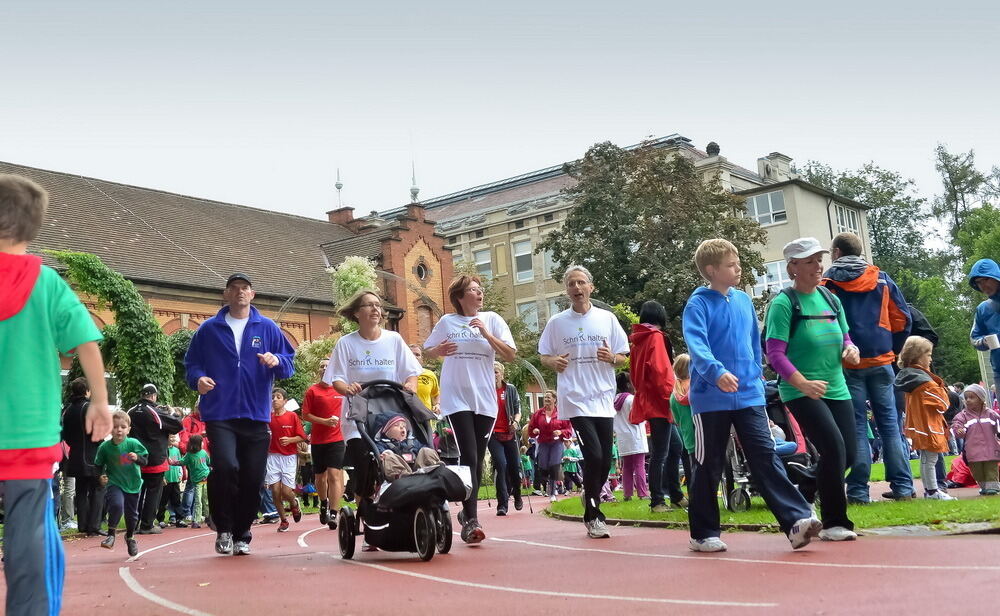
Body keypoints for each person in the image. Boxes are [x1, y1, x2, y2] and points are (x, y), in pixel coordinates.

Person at [1, 174, 112, 616]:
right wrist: (101, 401)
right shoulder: (47, 284)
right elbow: (87, 341)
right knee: (30, 535)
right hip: (27, 432)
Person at [683, 238, 821, 553]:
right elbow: (697, 345)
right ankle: (703, 532)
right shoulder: (698, 304)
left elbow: (751, 343)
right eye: (731, 265)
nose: (738, 268)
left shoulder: (744, 300)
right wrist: (717, 373)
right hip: (711, 399)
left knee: (765, 456)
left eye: (738, 263)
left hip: (749, 395)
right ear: (711, 270)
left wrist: (758, 375)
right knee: (709, 462)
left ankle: (797, 521)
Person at [184, 271, 295, 556]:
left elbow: (289, 364)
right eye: (234, 288)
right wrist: (198, 379)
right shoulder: (208, 329)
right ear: (226, 294)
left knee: (253, 476)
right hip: (220, 413)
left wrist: (276, 360)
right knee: (226, 466)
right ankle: (223, 528)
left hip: (256, 414)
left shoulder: (267, 327)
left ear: (252, 294)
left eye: (245, 288)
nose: (240, 292)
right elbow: (192, 364)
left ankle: (242, 533)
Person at [763, 237, 859, 540]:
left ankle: (806, 484)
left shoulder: (831, 299)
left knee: (850, 455)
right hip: (800, 390)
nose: (818, 266)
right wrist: (802, 382)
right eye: (809, 262)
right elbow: (774, 354)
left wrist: (851, 350)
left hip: (836, 386)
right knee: (833, 447)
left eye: (819, 259)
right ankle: (835, 523)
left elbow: (845, 337)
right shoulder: (783, 303)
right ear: (792, 267)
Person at [424, 275, 516, 544]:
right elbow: (428, 350)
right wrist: (438, 349)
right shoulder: (447, 322)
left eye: (480, 290)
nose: (479, 294)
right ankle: (472, 520)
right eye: (473, 290)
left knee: (476, 459)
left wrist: (486, 334)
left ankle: (466, 511)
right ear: (460, 297)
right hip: (457, 397)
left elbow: (510, 354)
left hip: (484, 399)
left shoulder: (493, 319)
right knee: (469, 455)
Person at [539, 265, 629, 539]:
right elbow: (544, 355)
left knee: (604, 462)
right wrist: (553, 361)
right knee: (594, 454)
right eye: (571, 284)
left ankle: (590, 493)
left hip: (602, 397)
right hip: (575, 398)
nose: (576, 288)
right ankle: (593, 514)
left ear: (591, 287)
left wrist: (612, 358)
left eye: (581, 283)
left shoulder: (607, 319)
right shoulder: (557, 323)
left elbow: (624, 354)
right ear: (567, 290)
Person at [823, 232, 914, 502]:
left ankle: (859, 491)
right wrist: (892, 348)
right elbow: (902, 319)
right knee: (889, 425)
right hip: (881, 359)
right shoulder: (882, 279)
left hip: (848, 361)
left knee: (858, 427)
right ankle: (903, 487)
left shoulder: (828, 283)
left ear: (837, 252)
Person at [324, 289, 421, 513]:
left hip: (390, 414)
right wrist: (348, 388)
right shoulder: (346, 344)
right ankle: (366, 511)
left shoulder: (394, 340)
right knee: (366, 464)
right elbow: (336, 378)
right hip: (358, 416)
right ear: (357, 313)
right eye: (369, 305)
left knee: (405, 457)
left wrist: (410, 386)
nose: (376, 309)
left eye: (378, 305)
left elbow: (411, 372)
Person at [628, 300, 678, 512]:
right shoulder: (655, 337)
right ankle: (657, 500)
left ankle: (675, 494)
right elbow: (661, 371)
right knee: (661, 453)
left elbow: (635, 374)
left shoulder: (638, 341)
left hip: (649, 399)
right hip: (661, 401)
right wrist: (671, 399)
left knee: (674, 447)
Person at [895, 336, 956, 500]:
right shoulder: (924, 381)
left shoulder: (911, 378)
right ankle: (932, 491)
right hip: (928, 424)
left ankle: (931, 490)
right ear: (918, 355)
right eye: (928, 354)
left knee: (927, 458)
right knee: (930, 459)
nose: (931, 358)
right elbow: (943, 403)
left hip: (920, 424)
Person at [128, 383, 183, 535]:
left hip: (136, 457)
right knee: (153, 492)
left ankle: (133, 522)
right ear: (153, 396)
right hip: (155, 457)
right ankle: (147, 524)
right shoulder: (155, 411)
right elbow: (177, 425)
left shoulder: (131, 411)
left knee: (136, 491)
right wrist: (172, 413)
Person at [94, 411, 149, 557]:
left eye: (123, 427)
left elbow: (145, 461)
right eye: (115, 427)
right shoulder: (104, 447)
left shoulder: (133, 444)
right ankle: (111, 535)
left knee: (132, 516)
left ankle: (130, 537)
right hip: (115, 482)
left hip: (133, 484)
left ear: (128, 429)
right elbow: (98, 466)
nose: (119, 430)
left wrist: (137, 458)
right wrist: (100, 476)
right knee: (117, 505)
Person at [60, 377, 108, 538]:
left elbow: (64, 435)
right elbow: (97, 432)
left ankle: (83, 524)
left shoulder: (67, 409)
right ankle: (93, 526)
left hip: (74, 455)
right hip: (91, 455)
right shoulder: (89, 407)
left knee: (81, 491)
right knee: (98, 489)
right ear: (87, 391)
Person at [302, 358, 346, 530]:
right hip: (319, 440)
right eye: (321, 366)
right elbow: (306, 415)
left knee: (335, 475)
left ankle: (334, 513)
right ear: (318, 370)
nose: (325, 368)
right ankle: (323, 502)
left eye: (328, 365)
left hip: (338, 439)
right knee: (321, 477)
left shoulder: (341, 389)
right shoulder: (313, 391)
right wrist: (324, 421)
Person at [267, 388, 308, 532]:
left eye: (278, 397)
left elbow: (303, 436)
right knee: (275, 491)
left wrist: (290, 439)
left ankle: (294, 502)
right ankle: (283, 520)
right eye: (273, 397)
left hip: (289, 457)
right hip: (272, 457)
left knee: (286, 491)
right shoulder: (267, 417)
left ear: (285, 401)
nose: (275, 399)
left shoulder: (292, 416)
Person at [488, 362, 523, 515]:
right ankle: (502, 504)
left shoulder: (510, 389)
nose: (493, 375)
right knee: (500, 465)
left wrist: (515, 422)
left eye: (496, 372)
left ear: (502, 373)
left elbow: (517, 409)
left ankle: (518, 495)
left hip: (510, 433)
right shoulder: (485, 390)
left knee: (514, 468)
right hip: (493, 434)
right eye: (491, 372)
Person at [952, 384, 1000, 495]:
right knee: (976, 470)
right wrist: (958, 430)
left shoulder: (991, 414)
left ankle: (993, 487)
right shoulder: (963, 416)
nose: (968, 400)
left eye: (972, 397)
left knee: (991, 468)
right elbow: (957, 424)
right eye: (966, 398)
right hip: (973, 450)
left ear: (981, 399)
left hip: (991, 448)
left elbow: (998, 427)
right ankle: (983, 486)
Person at [374, 413, 444, 481]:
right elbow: (379, 450)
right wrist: (386, 453)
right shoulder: (383, 443)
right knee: (388, 458)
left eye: (404, 426)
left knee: (426, 450)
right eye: (396, 425)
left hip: (419, 467)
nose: (402, 427)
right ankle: (401, 475)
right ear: (385, 431)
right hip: (402, 471)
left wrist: (432, 453)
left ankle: (434, 466)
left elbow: (423, 449)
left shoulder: (412, 441)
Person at [613, 372, 649, 501]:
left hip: (622, 437)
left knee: (626, 466)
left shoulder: (614, 400)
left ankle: (627, 493)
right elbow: (638, 417)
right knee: (640, 465)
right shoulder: (631, 400)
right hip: (635, 435)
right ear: (628, 384)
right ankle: (642, 493)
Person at [528, 392, 570, 502]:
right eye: (545, 397)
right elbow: (531, 429)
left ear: (554, 400)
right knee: (543, 466)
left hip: (556, 443)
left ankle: (552, 492)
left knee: (553, 465)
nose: (546, 399)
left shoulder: (561, 413)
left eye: (549, 397)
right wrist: (534, 431)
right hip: (543, 443)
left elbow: (569, 430)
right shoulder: (538, 414)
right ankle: (547, 481)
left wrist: (560, 432)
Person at [174, 434, 211, 528]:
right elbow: (181, 462)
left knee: (206, 500)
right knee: (198, 501)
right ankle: (196, 520)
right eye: (201, 442)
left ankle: (208, 517)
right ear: (197, 444)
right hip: (197, 481)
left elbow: (208, 462)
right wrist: (172, 462)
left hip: (206, 479)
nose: (203, 444)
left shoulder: (203, 452)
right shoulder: (189, 455)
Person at [670, 354, 696, 481]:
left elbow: (676, 421)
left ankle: (694, 498)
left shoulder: (674, 396)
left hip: (687, 439)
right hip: (702, 437)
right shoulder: (696, 388)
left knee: (691, 472)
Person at [157, 433, 187, 527]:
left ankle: (179, 519)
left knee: (177, 500)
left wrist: (180, 474)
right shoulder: (163, 450)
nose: (173, 438)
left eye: (174, 437)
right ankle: (161, 519)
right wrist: (163, 477)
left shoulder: (177, 450)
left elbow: (179, 462)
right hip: (167, 480)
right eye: (171, 437)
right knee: (163, 501)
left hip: (175, 480)